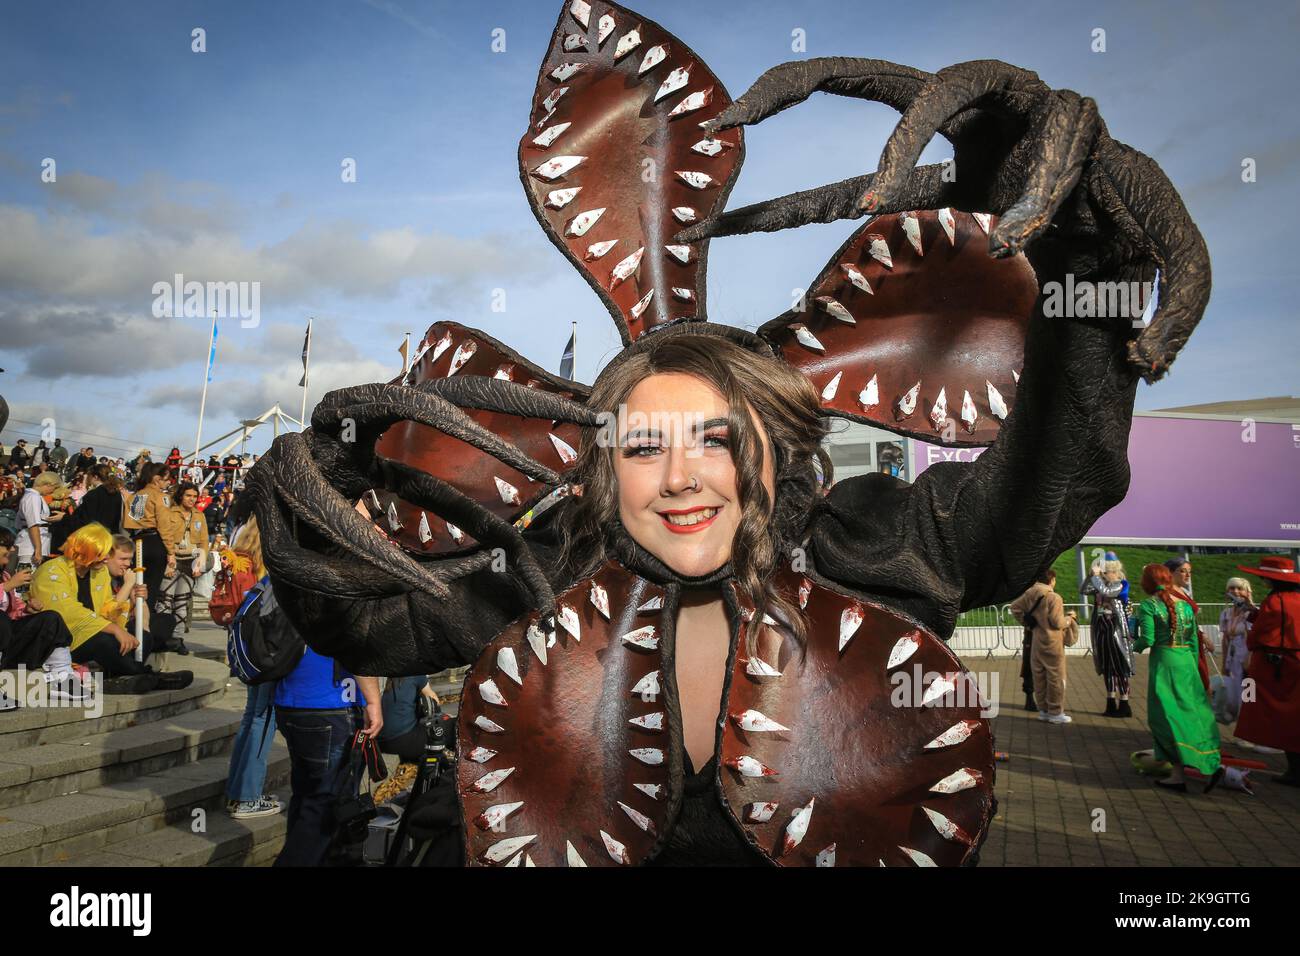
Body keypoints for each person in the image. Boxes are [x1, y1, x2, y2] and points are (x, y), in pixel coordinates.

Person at [240, 1, 1212, 866]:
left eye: (714, 437)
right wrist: (310, 479)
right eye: (641, 443)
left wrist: (1083, 257)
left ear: (773, 444)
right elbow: (353, 620)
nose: (679, 478)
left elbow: (1058, 471)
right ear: (599, 462)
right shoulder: (548, 573)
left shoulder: (873, 547)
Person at [273, 603, 382, 867]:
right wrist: (373, 701)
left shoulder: (283, 576)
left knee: (306, 796)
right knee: (328, 805)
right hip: (332, 703)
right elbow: (355, 645)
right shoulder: (331, 582)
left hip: (291, 702)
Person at [28, 524, 193, 694]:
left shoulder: (98, 572)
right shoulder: (52, 570)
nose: (106, 559)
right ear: (86, 550)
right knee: (105, 642)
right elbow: (68, 612)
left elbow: (108, 608)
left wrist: (134, 602)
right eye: (102, 554)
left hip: (95, 629)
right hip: (64, 640)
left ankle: (124, 677)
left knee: (141, 636)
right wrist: (115, 630)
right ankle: (153, 678)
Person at [1132, 563, 1224, 793]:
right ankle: (1210, 764)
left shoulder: (1148, 605)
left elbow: (1149, 640)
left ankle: (1178, 774)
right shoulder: (1185, 606)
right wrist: (1197, 670)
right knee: (1194, 714)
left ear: (1147, 582)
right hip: (1187, 664)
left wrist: (1131, 645)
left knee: (1165, 717)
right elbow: (1194, 642)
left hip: (1166, 663)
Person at [223, 517, 284, 819]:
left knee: (251, 718)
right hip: (265, 655)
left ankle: (237, 792)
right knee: (263, 719)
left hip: (248, 652)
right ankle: (247, 796)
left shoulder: (240, 558)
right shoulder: (269, 572)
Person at [1232, 557, 1300, 783]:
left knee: (1260, 705)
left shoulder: (1275, 601)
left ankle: (1294, 770)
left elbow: (1261, 635)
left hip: (1274, 668)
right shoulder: (1294, 598)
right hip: (1293, 664)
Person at [0, 528, 88, 704]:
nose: (12, 550)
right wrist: (8, 586)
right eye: (7, 545)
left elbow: (13, 611)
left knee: (51, 618)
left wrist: (27, 610)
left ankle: (62, 679)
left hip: (8, 643)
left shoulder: (4, 575)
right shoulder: (7, 580)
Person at [1009, 569, 1076, 724]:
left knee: (1039, 676)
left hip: (1036, 641)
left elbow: (1014, 608)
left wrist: (1028, 622)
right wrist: (1070, 618)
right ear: (1051, 579)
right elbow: (1057, 622)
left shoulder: (1030, 593)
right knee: (1056, 677)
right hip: (1053, 642)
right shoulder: (1054, 597)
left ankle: (1043, 710)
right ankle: (1055, 712)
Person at [1081, 554, 1135, 717]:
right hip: (1101, 629)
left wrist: (1097, 578)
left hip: (1116, 631)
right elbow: (1084, 590)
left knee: (1120, 666)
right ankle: (1110, 701)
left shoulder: (1121, 585)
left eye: (1107, 572)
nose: (1106, 575)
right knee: (1107, 667)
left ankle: (1124, 703)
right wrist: (1090, 577)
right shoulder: (1100, 583)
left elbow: (1107, 591)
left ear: (1114, 571)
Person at [121, 462, 176, 617]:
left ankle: (132, 620)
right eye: (167, 479)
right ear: (157, 479)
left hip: (136, 541)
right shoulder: (161, 497)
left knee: (135, 586)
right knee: (150, 590)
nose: (168, 482)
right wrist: (170, 551)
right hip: (154, 542)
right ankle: (145, 625)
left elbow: (127, 522)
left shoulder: (134, 496)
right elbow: (164, 525)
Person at [51, 463, 123, 553]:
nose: (87, 478)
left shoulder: (94, 494)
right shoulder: (116, 494)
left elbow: (85, 522)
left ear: (95, 477)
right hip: (109, 540)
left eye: (89, 476)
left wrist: (64, 517)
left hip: (93, 541)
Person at [1218, 577, 1256, 730]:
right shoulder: (1226, 613)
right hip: (1232, 659)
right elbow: (1225, 639)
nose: (1235, 591)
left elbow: (1254, 638)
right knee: (1234, 694)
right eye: (1232, 588)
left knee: (1249, 696)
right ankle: (1242, 726)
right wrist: (1223, 664)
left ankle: (1250, 729)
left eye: (1239, 588)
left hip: (1247, 660)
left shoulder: (1251, 613)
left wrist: (1250, 659)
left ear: (1247, 592)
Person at [378, 675, 441, 763]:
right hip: (403, 739)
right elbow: (433, 698)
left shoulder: (386, 675)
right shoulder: (415, 673)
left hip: (378, 741)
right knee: (446, 726)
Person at [15, 471, 65, 568]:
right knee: (28, 577)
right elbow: (33, 524)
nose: (53, 492)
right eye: (54, 488)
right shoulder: (33, 497)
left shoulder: (34, 496)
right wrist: (38, 549)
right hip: (30, 546)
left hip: (35, 543)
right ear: (48, 484)